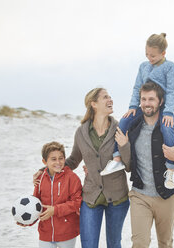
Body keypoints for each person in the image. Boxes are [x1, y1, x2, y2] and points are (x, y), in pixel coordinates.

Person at [34, 88, 131, 248]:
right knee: (88, 245)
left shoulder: (120, 129)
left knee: (114, 244)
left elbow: (129, 166)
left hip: (118, 196)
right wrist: (44, 170)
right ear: (94, 104)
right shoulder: (81, 132)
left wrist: (125, 145)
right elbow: (72, 161)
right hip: (91, 196)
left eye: (111, 97)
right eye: (105, 97)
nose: (110, 100)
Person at [121, 81, 174, 248]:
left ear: (160, 102)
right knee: (139, 243)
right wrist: (123, 146)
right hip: (140, 195)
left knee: (165, 243)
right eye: (143, 99)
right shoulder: (133, 126)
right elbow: (127, 164)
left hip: (167, 196)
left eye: (151, 99)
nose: (146, 104)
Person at [107, 33, 174, 190]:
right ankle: (117, 158)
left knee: (167, 127)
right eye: (147, 54)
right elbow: (137, 88)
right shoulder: (143, 66)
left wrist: (168, 112)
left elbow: (173, 91)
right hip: (145, 106)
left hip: (165, 108)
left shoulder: (169, 67)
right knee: (125, 121)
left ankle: (171, 168)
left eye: (153, 55)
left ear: (163, 53)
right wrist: (133, 107)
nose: (149, 58)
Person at [20, 141, 83, 248]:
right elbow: (36, 205)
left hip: (67, 232)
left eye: (61, 158)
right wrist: (27, 221)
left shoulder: (72, 178)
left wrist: (55, 210)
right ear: (44, 161)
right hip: (46, 232)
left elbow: (77, 202)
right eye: (53, 159)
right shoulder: (40, 179)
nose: (58, 162)